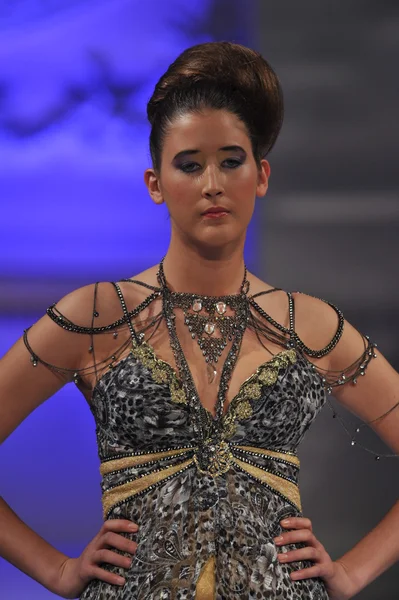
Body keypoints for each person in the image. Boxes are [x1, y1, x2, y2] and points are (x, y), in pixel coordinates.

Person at [0, 41, 398, 600]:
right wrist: (56, 570)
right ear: (155, 184)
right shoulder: (97, 315)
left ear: (260, 175)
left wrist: (353, 572)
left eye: (230, 161)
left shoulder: (307, 323)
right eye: (189, 165)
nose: (212, 182)